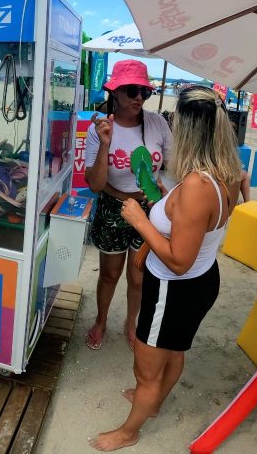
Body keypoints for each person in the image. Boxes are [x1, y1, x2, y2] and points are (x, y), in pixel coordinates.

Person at [91, 86, 242, 451]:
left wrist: (142, 221)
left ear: (187, 130)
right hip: (202, 280)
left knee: (146, 369)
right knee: (175, 351)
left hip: (175, 289)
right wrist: (165, 199)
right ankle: (154, 403)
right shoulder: (228, 174)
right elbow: (199, 227)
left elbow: (177, 259)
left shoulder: (195, 185)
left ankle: (130, 431)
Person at [83, 60, 172, 351]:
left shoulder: (157, 123)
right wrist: (106, 144)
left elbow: (172, 165)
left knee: (138, 275)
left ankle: (130, 323)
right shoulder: (99, 128)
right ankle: (101, 320)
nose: (139, 98)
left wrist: (162, 189)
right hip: (113, 206)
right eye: (132, 90)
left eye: (144, 92)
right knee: (110, 273)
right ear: (116, 92)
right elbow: (94, 184)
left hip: (149, 209)